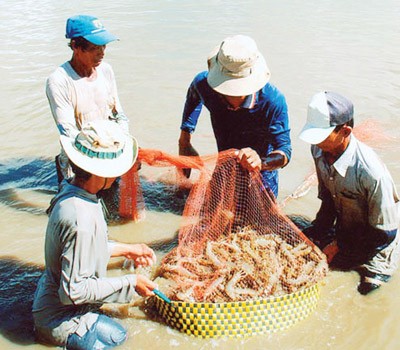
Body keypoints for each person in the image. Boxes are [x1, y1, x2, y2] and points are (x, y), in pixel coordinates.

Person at [32, 120, 158, 349]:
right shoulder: (80, 218)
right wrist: (131, 282)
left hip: (52, 301)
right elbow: (73, 292)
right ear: (101, 173)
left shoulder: (74, 190)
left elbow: (86, 247)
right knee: (113, 343)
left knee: (119, 336)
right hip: (59, 319)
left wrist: (129, 248)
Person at [299, 91, 400, 295]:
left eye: (322, 136)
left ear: (345, 131)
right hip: (347, 227)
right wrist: (318, 231)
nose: (317, 142)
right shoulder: (318, 150)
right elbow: (328, 200)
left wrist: (339, 247)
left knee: (366, 290)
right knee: (303, 244)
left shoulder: (371, 173)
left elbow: (384, 233)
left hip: (378, 237)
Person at [178, 35, 291, 198]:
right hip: (224, 169)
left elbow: (285, 151)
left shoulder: (272, 101)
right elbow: (194, 93)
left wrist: (261, 162)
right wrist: (185, 141)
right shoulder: (205, 85)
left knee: (258, 221)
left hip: (262, 178)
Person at [47, 14, 129, 182]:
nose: (102, 53)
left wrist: (124, 145)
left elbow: (118, 114)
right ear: (76, 47)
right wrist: (93, 162)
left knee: (112, 202)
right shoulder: (60, 80)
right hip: (79, 159)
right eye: (95, 47)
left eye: (104, 46)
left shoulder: (106, 71)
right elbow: (68, 131)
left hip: (109, 152)